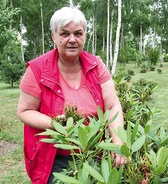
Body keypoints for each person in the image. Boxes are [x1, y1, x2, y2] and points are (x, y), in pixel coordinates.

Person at [17, 6, 126, 183]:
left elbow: (113, 105)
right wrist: (56, 124)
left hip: (92, 152)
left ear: (84, 36)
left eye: (78, 33)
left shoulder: (96, 65)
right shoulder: (37, 69)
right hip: (53, 158)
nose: (72, 39)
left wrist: (118, 142)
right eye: (64, 34)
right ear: (54, 36)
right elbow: (24, 111)